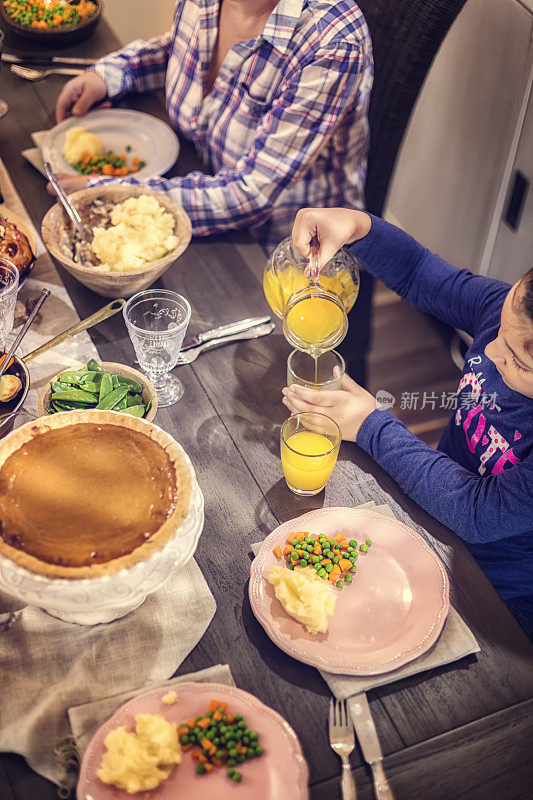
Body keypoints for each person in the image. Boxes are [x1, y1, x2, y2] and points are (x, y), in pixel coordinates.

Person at [282, 207, 533, 638]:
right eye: (499, 334)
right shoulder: (508, 315)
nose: (489, 351)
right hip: (431, 511)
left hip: (498, 594)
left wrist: (371, 427)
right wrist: (359, 227)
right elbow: (418, 272)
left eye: (518, 361)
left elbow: (477, 511)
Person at [53, 0, 373, 255]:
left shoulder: (332, 43)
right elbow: (179, 50)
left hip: (280, 252)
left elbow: (250, 194)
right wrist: (111, 75)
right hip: (196, 187)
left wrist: (104, 192)